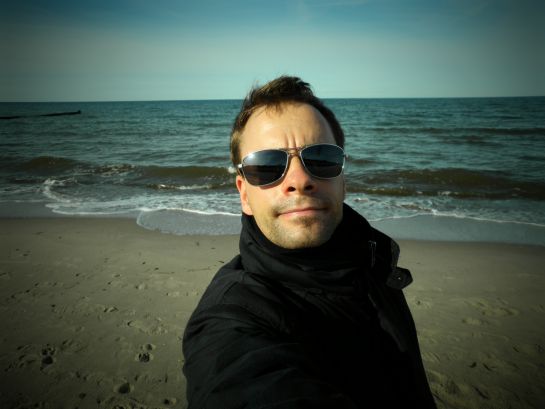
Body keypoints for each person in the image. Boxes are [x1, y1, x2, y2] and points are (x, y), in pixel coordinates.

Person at [182, 76, 436, 408]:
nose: (300, 180)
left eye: (321, 158)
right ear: (244, 194)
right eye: (267, 165)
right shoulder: (232, 317)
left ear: (342, 180)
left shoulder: (371, 262)